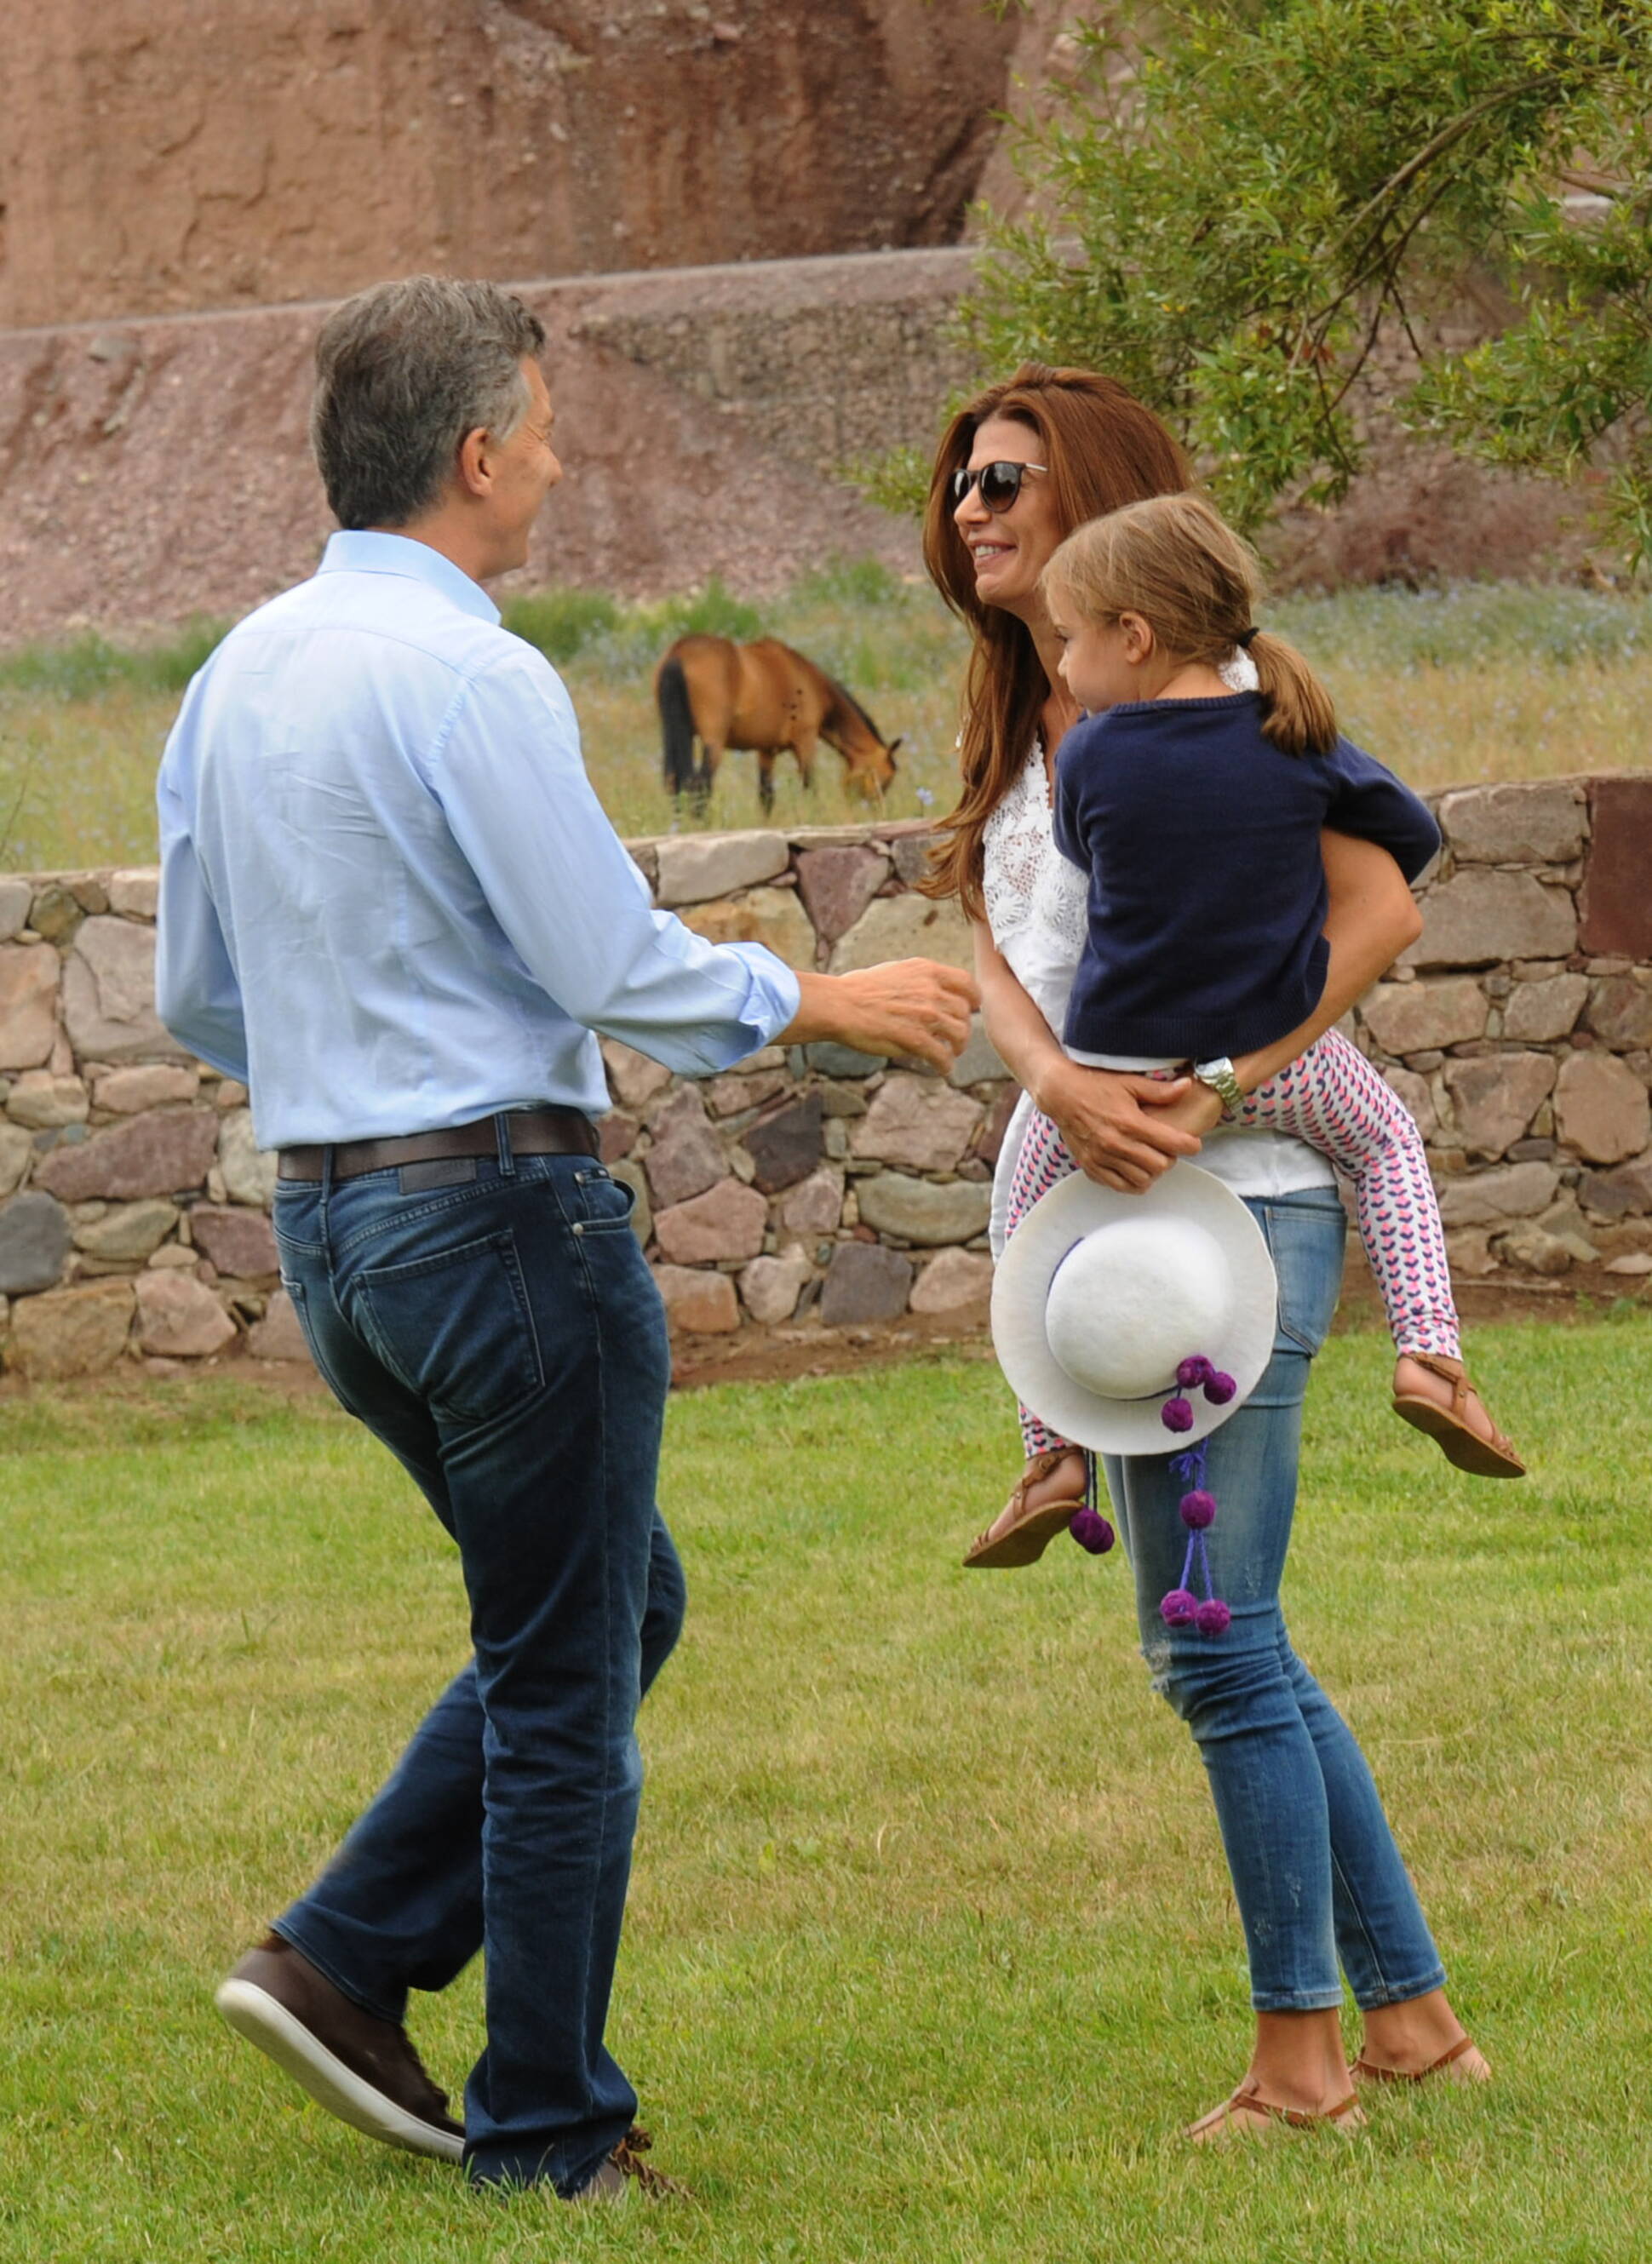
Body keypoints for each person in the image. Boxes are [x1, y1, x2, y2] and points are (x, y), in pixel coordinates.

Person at [155, 275, 976, 2204]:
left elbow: (203, 990)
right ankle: (546, 2124)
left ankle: (347, 1950)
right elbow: (608, 961)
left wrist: (358, 1067)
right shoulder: (474, 674)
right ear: (470, 453)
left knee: (616, 1608)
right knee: (559, 1675)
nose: (553, 459)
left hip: (334, 1236)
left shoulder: (233, 675)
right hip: (501, 1225)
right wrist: (831, 998)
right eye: (539, 425)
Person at [921, 364, 1490, 2134]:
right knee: (1225, 1641)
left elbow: (1379, 904)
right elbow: (1002, 953)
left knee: (1217, 1643)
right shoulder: (1036, 713)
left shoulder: (1218, 710)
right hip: (1118, 1196)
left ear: (1100, 509)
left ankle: (1300, 2057)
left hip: (1235, 1201)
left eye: (1007, 478)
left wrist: (1229, 1074)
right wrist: (1055, 1086)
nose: (972, 506)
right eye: (957, 481)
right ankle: (1407, 2022)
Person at [966, 489, 1521, 1572]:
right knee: (1389, 1146)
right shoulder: (1290, 735)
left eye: (1073, 639)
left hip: (1111, 1069)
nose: (1065, 665)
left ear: (1133, 636)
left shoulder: (1088, 758)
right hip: (1278, 1064)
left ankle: (1051, 1453)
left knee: (1018, 1217)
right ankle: (1429, 1357)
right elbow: (1405, 839)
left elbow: (1071, 896)